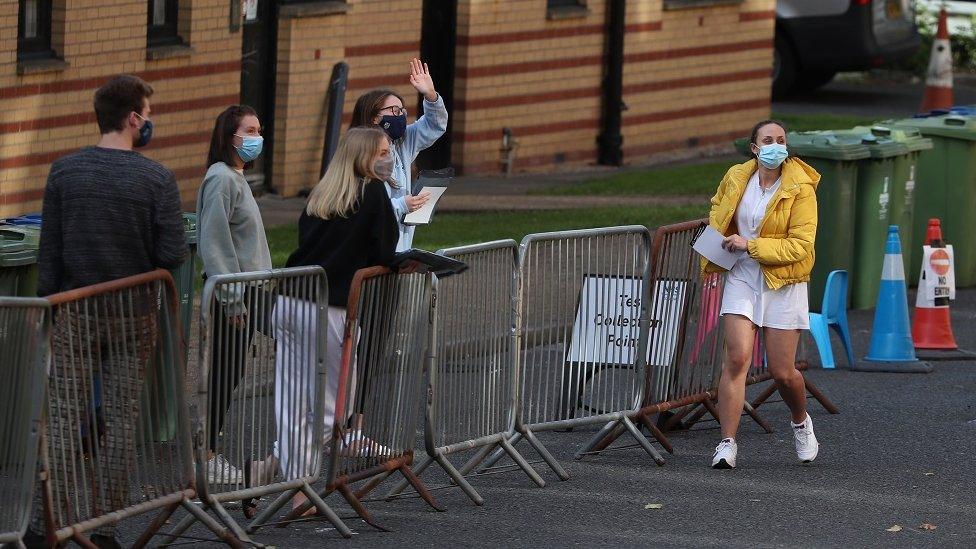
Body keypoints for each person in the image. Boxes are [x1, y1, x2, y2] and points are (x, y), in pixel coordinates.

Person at [35, 74, 187, 549]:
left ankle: (51, 525)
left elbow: (50, 252)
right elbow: (172, 253)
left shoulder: (64, 172)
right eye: (147, 112)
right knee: (121, 420)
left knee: (62, 417)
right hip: (134, 310)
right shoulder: (157, 178)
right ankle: (104, 529)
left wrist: (47, 304)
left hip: (74, 307)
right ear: (134, 118)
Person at [246, 127, 398, 514]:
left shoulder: (322, 195)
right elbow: (386, 248)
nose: (388, 156)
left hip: (290, 301)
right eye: (382, 151)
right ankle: (286, 474)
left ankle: (292, 485)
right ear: (364, 156)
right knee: (336, 408)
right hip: (330, 308)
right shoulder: (373, 192)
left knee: (292, 400)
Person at [702, 119, 821, 469]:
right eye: (768, 140)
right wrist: (719, 238)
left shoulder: (800, 186)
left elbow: (801, 245)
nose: (775, 146)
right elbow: (718, 208)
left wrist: (751, 245)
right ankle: (727, 443)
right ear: (754, 148)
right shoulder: (738, 176)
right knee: (737, 359)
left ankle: (800, 421)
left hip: (784, 281)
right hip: (742, 276)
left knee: (783, 371)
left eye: (781, 139)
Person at [196, 105, 272, 484]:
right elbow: (215, 242)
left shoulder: (237, 179)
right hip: (237, 295)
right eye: (251, 130)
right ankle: (206, 453)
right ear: (231, 137)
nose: (258, 136)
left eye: (259, 129)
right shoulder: (221, 180)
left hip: (252, 290)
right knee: (225, 374)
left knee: (233, 372)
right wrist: (232, 299)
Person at [349, 58, 448, 251]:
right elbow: (361, 209)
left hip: (398, 247)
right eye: (395, 110)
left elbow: (435, 126)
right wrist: (402, 205)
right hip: (369, 252)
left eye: (403, 110)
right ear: (374, 117)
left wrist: (430, 96)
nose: (401, 115)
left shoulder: (401, 143)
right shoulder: (355, 155)